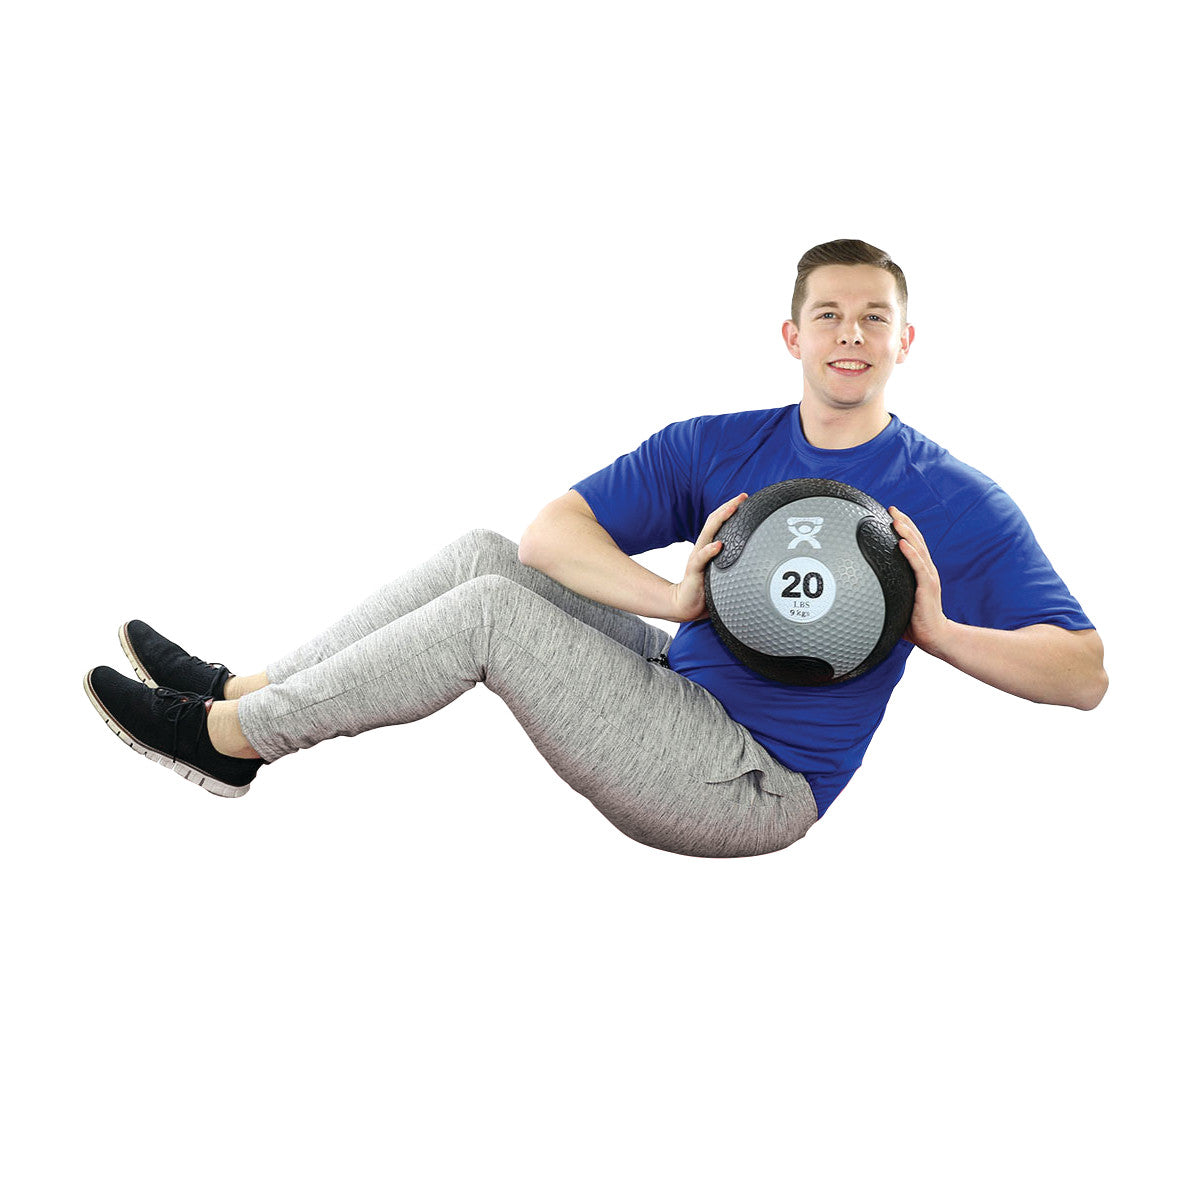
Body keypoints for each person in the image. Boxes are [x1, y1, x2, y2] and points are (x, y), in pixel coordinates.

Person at [84, 239, 1107, 858]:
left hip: (750, 780)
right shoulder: (720, 444)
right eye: (828, 315)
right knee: (490, 556)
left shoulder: (954, 498)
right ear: (792, 336)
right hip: (674, 676)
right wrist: (676, 599)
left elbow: (1085, 672)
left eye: (873, 318)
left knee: (489, 619)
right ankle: (242, 687)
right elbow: (550, 535)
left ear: (905, 342)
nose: (851, 334)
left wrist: (934, 628)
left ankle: (230, 744)